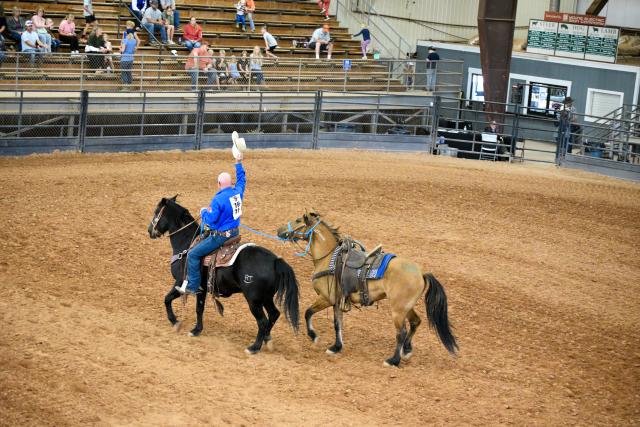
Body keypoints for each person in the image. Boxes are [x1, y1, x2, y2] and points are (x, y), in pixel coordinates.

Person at [176, 153, 246, 295]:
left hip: (220, 236)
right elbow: (242, 180)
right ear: (230, 183)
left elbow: (211, 220)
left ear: (219, 184)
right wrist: (238, 163)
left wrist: (203, 212)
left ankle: (193, 286)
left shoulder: (218, 200)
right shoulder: (237, 192)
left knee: (193, 254)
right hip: (235, 232)